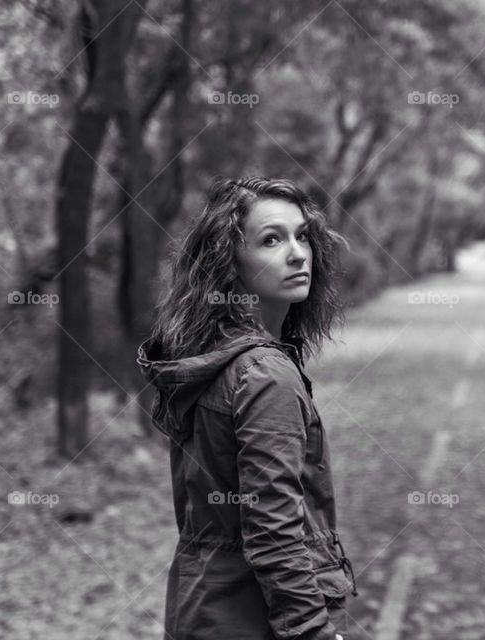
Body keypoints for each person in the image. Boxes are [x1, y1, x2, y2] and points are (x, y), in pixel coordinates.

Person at [137, 176, 357, 640]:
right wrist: (314, 631)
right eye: (271, 240)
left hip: (200, 609)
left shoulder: (210, 358)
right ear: (229, 263)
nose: (298, 253)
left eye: (302, 236)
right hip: (251, 620)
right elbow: (275, 533)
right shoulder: (265, 375)